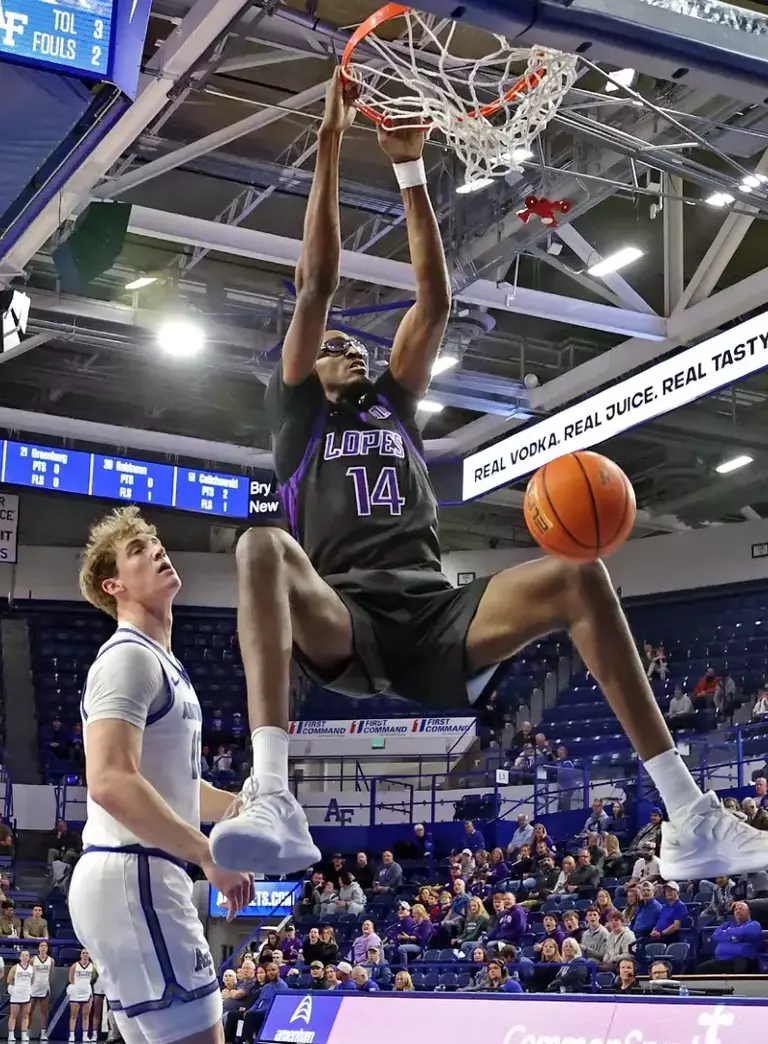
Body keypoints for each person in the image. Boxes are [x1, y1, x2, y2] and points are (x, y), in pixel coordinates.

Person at [68, 507, 254, 1044]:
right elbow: (110, 781)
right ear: (114, 585)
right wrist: (207, 853)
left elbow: (176, 789)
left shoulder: (159, 661)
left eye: (154, 540)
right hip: (136, 875)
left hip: (134, 877)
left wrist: (244, 807)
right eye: (136, 550)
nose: (155, 548)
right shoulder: (127, 659)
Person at [29, 942, 54, 1042]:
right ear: (38, 948)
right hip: (33, 988)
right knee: (29, 1012)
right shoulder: (33, 960)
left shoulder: (51, 961)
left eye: (45, 946)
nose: (43, 948)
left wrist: (47, 985)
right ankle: (26, 1032)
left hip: (44, 988)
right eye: (41, 946)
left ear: (47, 949)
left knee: (44, 1012)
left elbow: (51, 975)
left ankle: (43, 1034)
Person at [8, 950, 34, 1044]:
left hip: (26, 993)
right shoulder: (15, 967)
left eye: (26, 955)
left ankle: (24, 1034)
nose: (24, 957)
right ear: (20, 957)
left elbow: (32, 980)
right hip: (16, 994)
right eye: (22, 955)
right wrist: (15, 989)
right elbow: (9, 980)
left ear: (29, 957)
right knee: (13, 1015)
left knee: (25, 1016)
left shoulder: (31, 968)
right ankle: (11, 1034)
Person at [68, 950, 94, 1044]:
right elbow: (70, 979)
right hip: (76, 992)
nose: (85, 954)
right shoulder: (75, 965)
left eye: (87, 953)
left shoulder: (92, 966)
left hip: (87, 992)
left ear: (89, 955)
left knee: (86, 1016)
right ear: (80, 955)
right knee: (73, 1015)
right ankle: (71, 1035)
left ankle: (85, 1036)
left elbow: (92, 978)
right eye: (83, 953)